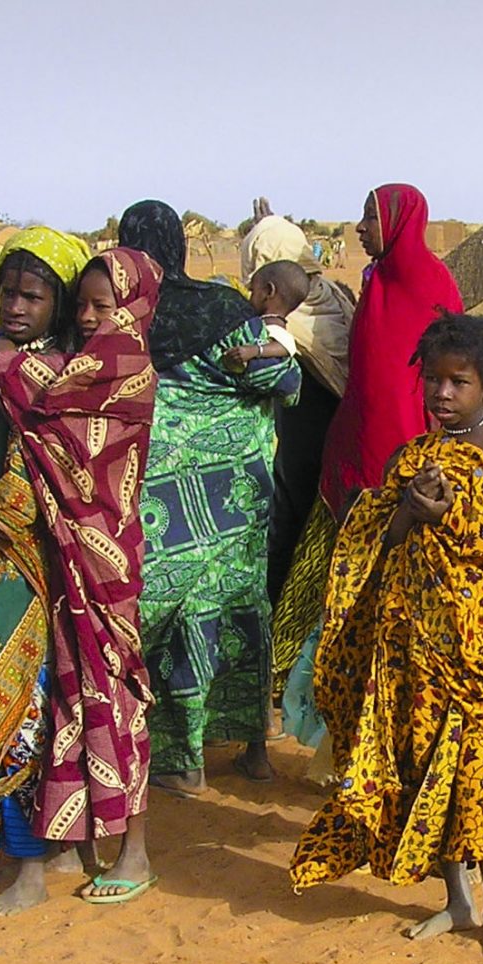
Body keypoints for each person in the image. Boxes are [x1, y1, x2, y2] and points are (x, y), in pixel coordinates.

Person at [289, 313, 483, 958]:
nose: (441, 393)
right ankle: (455, 902)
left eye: (457, 381)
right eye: (433, 380)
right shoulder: (409, 457)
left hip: (473, 645)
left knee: (476, 775)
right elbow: (380, 542)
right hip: (409, 646)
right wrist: (409, 509)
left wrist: (455, 510)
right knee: (420, 770)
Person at [0, 232, 162, 912]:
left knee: (81, 707)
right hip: (50, 567)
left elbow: (33, 480)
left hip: (80, 568)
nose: (89, 318)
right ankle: (70, 846)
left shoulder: (107, 372)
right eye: (10, 293)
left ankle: (103, 854)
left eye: (40, 297)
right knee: (66, 709)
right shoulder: (51, 373)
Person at [118, 200, 301, 794]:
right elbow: (284, 381)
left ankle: (180, 760)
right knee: (236, 607)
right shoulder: (224, 308)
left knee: (165, 610)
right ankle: (252, 748)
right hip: (235, 494)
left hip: (157, 491)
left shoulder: (120, 313)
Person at [270, 184, 461, 699]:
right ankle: (282, 680)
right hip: (352, 451)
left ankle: (370, 690)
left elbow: (454, 369)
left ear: (399, 223)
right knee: (319, 570)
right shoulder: (373, 280)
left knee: (384, 578)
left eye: (370, 219)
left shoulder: (432, 284)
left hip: (405, 458)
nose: (360, 229)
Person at [239, 208, 357, 609]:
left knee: (286, 525)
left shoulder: (286, 320)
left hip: (306, 430)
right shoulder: (331, 297)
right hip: (341, 429)